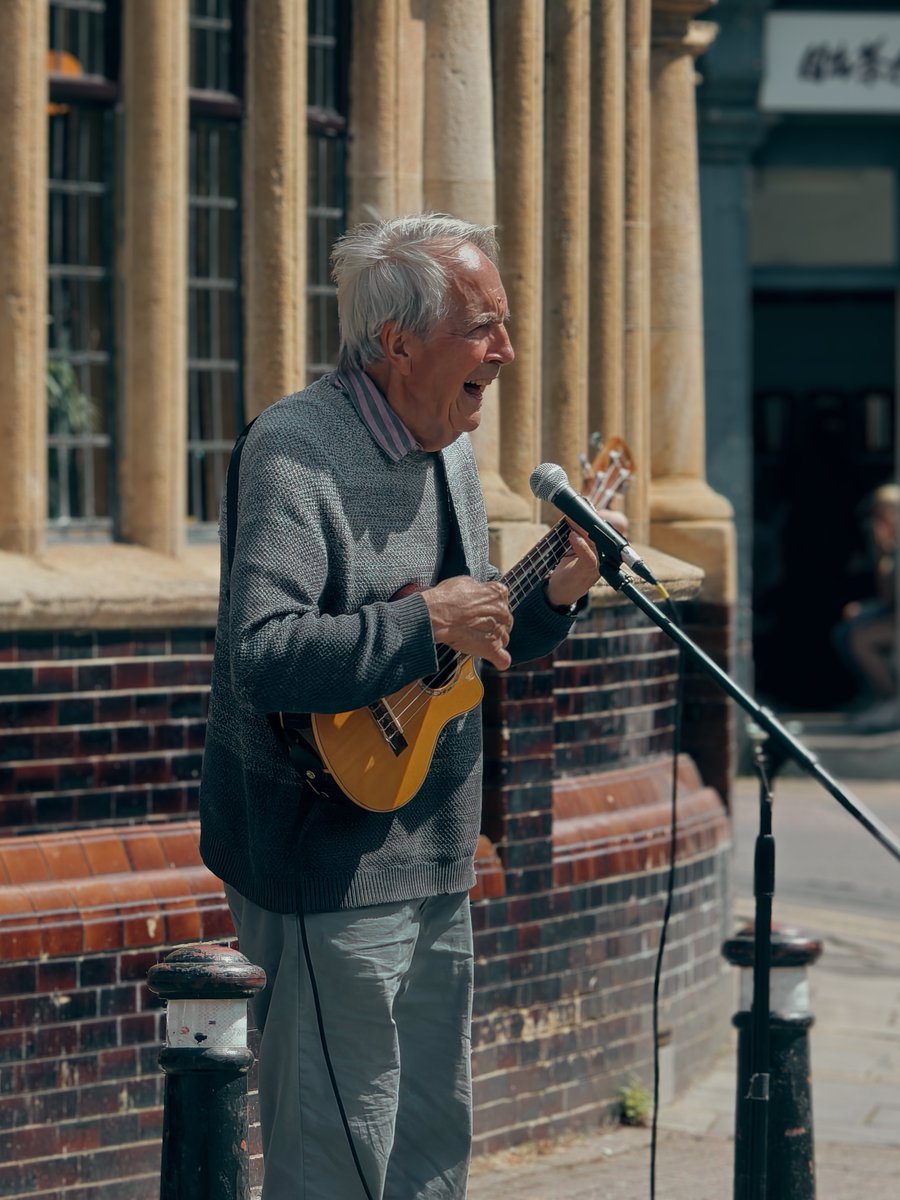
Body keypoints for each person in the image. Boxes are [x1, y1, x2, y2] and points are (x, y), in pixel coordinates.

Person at [199, 213, 602, 1200]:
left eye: (504, 325)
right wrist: (425, 623)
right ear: (398, 342)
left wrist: (552, 592)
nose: (505, 351)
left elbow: (466, 655)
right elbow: (263, 656)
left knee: (429, 1150)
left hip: (435, 851)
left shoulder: (453, 453)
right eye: (484, 325)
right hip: (325, 861)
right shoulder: (297, 450)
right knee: (335, 1156)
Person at [832, 482, 899, 730]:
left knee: (860, 639)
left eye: (885, 514)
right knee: (845, 632)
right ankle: (874, 695)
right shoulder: (890, 548)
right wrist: (882, 551)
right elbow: (887, 596)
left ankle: (890, 697)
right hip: (891, 614)